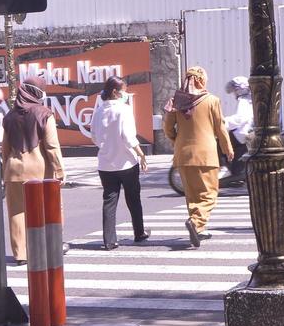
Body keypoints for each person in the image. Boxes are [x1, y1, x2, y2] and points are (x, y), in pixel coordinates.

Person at [164, 66, 233, 247]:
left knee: (192, 194)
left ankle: (199, 229)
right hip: (205, 155)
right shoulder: (211, 100)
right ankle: (195, 223)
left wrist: (176, 140)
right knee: (209, 194)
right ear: (202, 80)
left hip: (183, 155)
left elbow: (167, 128)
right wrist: (227, 148)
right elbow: (220, 128)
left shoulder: (176, 102)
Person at [1, 78, 64, 265]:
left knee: (16, 213)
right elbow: (52, 146)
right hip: (39, 171)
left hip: (13, 170)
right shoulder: (45, 114)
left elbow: (4, 148)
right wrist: (59, 170)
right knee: (46, 211)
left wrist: (6, 168)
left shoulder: (9, 116)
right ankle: (45, 248)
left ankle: (21, 254)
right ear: (38, 93)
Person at [86, 76, 150, 249]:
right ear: (115, 92)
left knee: (109, 200)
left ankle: (109, 240)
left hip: (105, 164)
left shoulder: (98, 111)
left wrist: (106, 146)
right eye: (124, 90)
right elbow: (129, 137)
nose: (126, 93)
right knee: (133, 198)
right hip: (126, 163)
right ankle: (139, 232)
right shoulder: (124, 110)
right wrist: (141, 154)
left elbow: (93, 137)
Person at [222, 76, 254, 184]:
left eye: (235, 90)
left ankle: (226, 169)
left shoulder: (244, 101)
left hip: (243, 133)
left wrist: (224, 122)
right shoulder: (249, 99)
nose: (234, 92)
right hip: (244, 132)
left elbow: (241, 118)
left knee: (220, 142)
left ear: (241, 89)